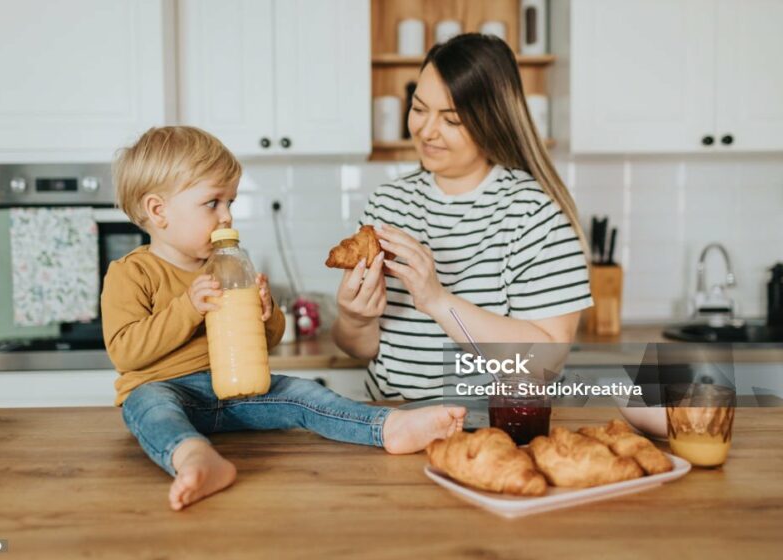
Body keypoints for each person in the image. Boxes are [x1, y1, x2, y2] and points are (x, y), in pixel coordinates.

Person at [101, 126, 466, 511]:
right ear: (159, 211)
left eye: (230, 202)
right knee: (147, 405)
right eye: (212, 203)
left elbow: (267, 341)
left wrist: (266, 314)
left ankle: (388, 427)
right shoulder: (131, 273)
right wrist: (188, 308)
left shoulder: (225, 264)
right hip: (169, 391)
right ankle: (194, 457)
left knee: (302, 393)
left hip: (237, 392)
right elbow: (126, 353)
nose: (227, 216)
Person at [332, 34, 594, 400]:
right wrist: (354, 318)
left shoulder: (534, 215)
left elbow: (544, 364)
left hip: (488, 434)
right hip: (391, 425)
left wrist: (438, 300)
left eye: (451, 119)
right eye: (419, 108)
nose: (425, 130)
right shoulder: (388, 203)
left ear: (493, 121)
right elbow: (363, 348)